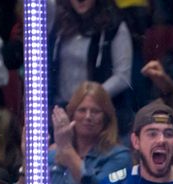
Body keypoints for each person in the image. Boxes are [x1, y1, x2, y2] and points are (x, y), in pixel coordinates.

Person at [48, 0, 133, 130]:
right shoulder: (58, 23)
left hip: (98, 114)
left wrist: (88, 99)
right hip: (62, 110)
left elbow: (122, 77)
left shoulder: (114, 26)